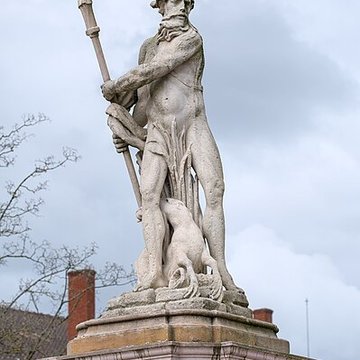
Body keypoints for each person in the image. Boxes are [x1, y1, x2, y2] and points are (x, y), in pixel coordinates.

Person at [102, 0, 239, 292]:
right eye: (173, 0)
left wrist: (117, 85)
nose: (180, 7)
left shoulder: (192, 38)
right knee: (149, 196)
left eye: (184, 2)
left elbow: (157, 69)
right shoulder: (148, 46)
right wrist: (123, 120)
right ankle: (154, 270)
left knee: (214, 189)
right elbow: (143, 100)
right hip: (159, 132)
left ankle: (221, 267)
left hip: (192, 124)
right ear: (159, 5)